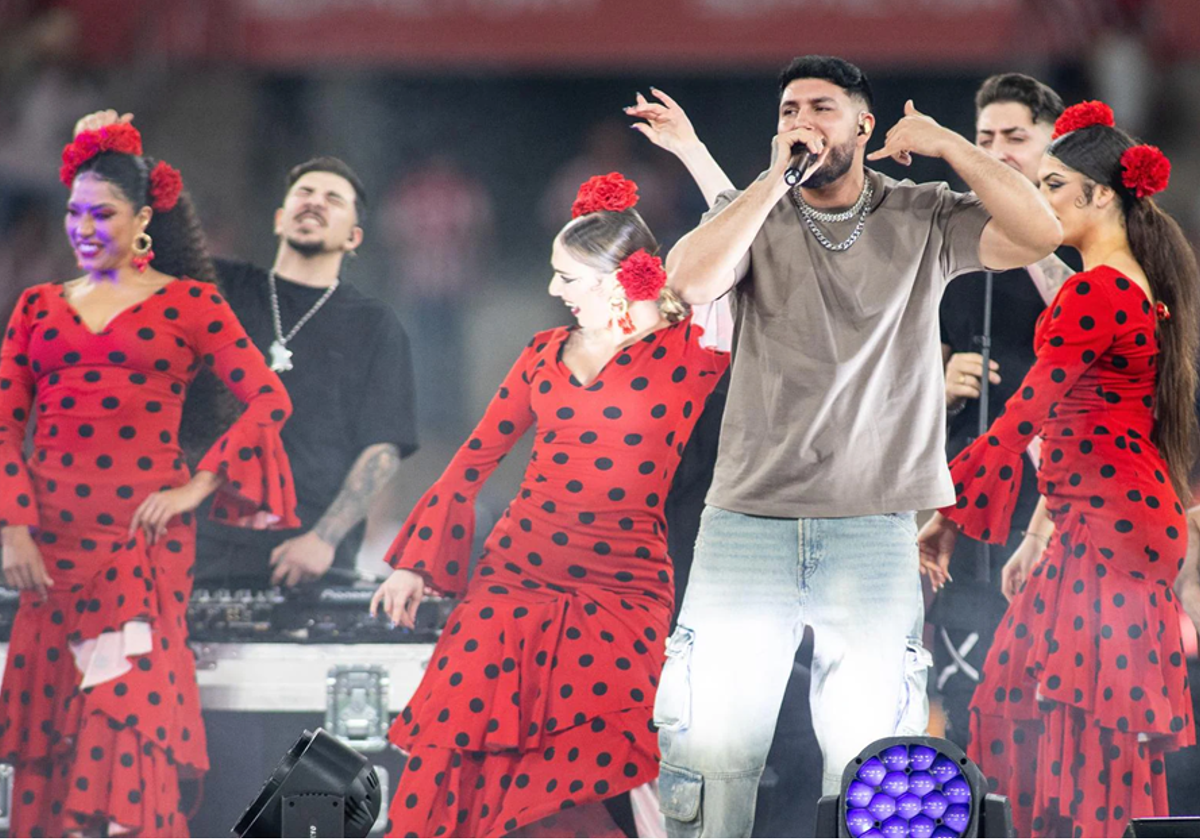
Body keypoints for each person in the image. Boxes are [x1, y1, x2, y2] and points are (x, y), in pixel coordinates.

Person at [652, 54, 1063, 837]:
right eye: (788, 112)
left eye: (821, 109)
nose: (801, 122)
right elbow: (692, 281)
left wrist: (948, 142)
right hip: (747, 523)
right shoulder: (757, 210)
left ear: (865, 126)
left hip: (874, 530)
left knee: (878, 765)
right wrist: (772, 180)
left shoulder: (924, 213)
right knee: (712, 756)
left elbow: (1041, 229)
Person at [369, 172, 729, 838]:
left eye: (567, 277)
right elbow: (473, 458)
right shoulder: (542, 354)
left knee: (584, 772)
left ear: (618, 276)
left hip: (619, 591)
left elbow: (739, 245)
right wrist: (413, 564)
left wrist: (694, 155)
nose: (552, 291)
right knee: (464, 751)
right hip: (515, 574)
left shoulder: (691, 352)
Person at [0, 122, 299, 836]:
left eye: (101, 212)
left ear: (142, 222)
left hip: (142, 544)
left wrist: (199, 484)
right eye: (73, 212)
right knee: (56, 744)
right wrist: (12, 527)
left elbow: (269, 398)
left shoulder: (191, 305)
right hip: (50, 549)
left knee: (127, 727)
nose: (82, 227)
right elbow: (4, 425)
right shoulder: (37, 307)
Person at [918, 100, 1198, 837]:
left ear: (1098, 195)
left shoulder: (1096, 288)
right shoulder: (1131, 281)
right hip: (1109, 521)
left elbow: (1028, 415)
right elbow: (1095, 430)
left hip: (1111, 528)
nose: (1038, 201)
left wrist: (949, 511)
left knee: (1059, 719)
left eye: (1050, 184)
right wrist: (1040, 533)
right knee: (1060, 718)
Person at [932, 72, 1071, 748]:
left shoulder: (1077, 240)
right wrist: (936, 371)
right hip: (964, 488)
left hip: (1053, 491)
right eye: (984, 138)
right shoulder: (956, 239)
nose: (996, 151)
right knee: (963, 681)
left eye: (1015, 138)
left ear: (1054, 142)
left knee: (1047, 683)